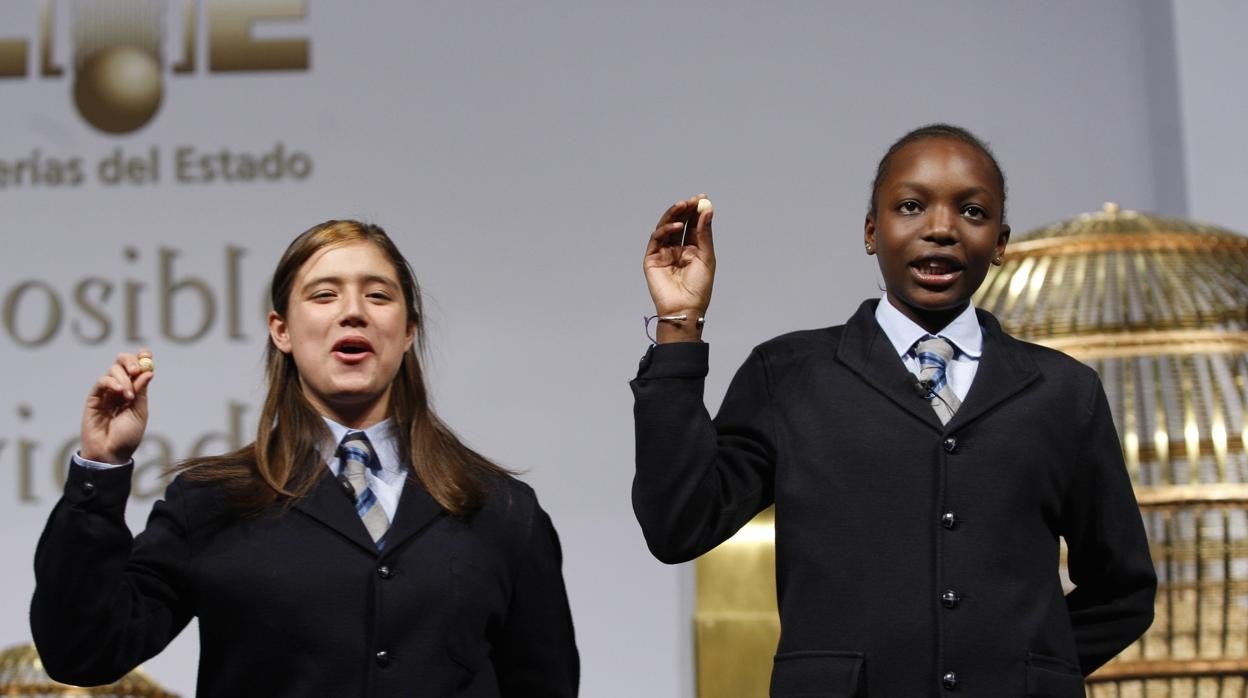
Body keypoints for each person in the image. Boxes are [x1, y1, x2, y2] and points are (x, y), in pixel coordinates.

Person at [631, 124, 1155, 696]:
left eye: (973, 213)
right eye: (911, 206)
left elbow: (1122, 587)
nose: (940, 229)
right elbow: (678, 525)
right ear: (871, 231)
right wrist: (679, 326)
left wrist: (1032, 674)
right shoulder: (789, 374)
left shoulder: (1062, 392)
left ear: (1000, 243)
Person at [32, 220, 579, 697]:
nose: (353, 313)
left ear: (408, 331)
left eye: (378, 296)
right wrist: (98, 472)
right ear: (282, 332)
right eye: (324, 295)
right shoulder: (212, 502)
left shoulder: (501, 509)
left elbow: (543, 685)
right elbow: (83, 651)